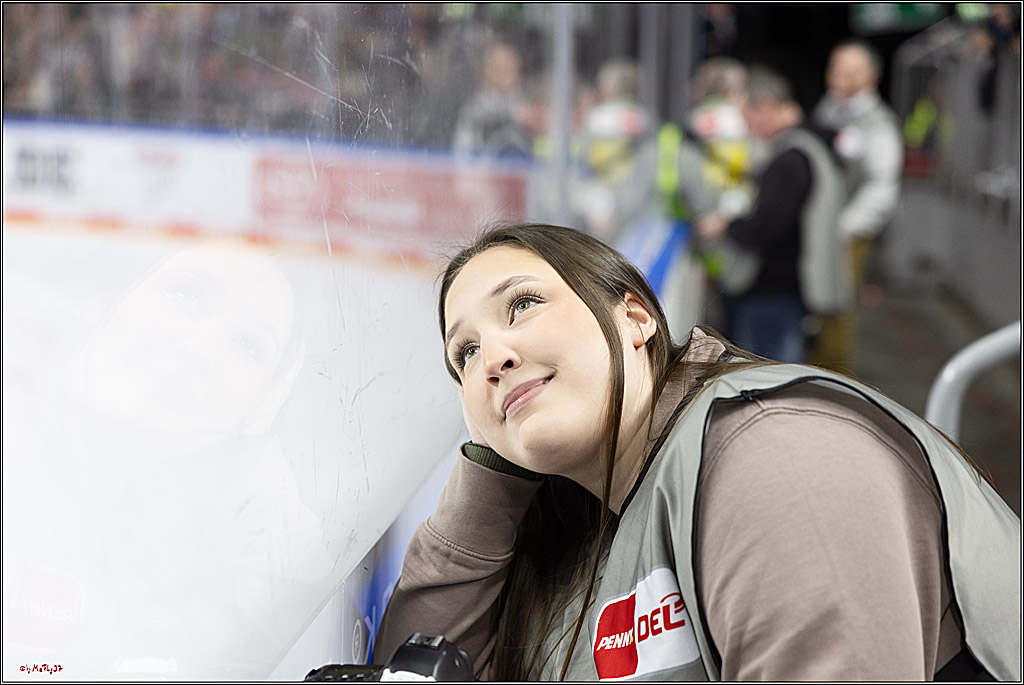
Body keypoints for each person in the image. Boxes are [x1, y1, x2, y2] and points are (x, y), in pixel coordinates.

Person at [375, 222, 1020, 681]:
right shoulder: (572, 525)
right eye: (464, 354)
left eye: (522, 305)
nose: (492, 358)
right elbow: (419, 666)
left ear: (634, 318)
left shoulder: (778, 455)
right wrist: (495, 471)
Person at [696, 65, 848, 363]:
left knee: (767, 378)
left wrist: (726, 224)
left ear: (764, 108)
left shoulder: (790, 159)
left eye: (745, 115)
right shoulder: (808, 146)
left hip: (772, 292)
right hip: (786, 290)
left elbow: (764, 229)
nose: (744, 126)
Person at [810, 38, 904, 371]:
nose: (839, 76)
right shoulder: (830, 108)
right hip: (824, 228)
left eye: (850, 70)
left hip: (845, 232)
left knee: (836, 307)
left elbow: (882, 186)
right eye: (835, 68)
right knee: (817, 308)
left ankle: (835, 380)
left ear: (871, 75)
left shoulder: (877, 123)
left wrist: (842, 228)